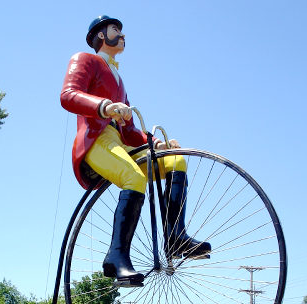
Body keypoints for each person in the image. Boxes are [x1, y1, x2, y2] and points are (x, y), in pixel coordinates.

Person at [61, 15, 211, 286]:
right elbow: (68, 95)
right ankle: (116, 257)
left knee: (175, 161)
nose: (122, 34)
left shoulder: (119, 80)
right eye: (116, 29)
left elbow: (130, 131)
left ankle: (176, 237)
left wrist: (155, 144)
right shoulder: (84, 59)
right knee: (134, 177)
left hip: (120, 143)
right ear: (101, 36)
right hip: (96, 141)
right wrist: (104, 106)